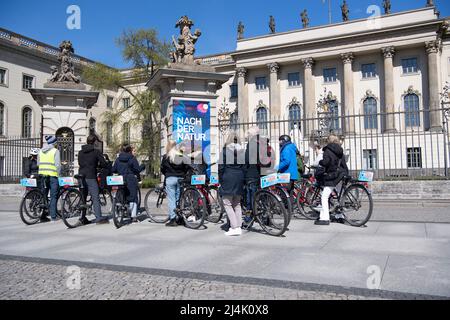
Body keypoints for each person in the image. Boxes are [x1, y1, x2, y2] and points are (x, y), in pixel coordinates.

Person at [315, 135, 349, 225]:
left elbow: (326, 162)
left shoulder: (328, 150)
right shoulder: (340, 150)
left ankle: (325, 218)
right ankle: (340, 216)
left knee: (324, 196)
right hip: (341, 174)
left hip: (333, 175)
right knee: (339, 196)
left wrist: (320, 162)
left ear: (328, 141)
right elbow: (343, 163)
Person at [219, 132, 246, 236]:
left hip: (228, 176)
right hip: (239, 177)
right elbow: (244, 167)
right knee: (237, 203)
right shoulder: (242, 151)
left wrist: (221, 179)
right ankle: (238, 226)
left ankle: (234, 227)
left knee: (227, 203)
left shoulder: (225, 151)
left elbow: (221, 167)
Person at [77, 135, 109, 225]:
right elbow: (103, 163)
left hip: (81, 176)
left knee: (83, 197)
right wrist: (102, 166)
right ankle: (99, 218)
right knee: (95, 197)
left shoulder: (80, 152)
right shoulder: (96, 152)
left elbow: (80, 163)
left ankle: (82, 218)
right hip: (90, 176)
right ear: (94, 142)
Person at [112, 144, 145, 223]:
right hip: (130, 179)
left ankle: (119, 212)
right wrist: (143, 166)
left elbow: (113, 170)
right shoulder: (132, 158)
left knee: (120, 195)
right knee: (133, 197)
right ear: (130, 150)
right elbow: (137, 170)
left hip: (120, 179)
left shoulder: (118, 159)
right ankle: (133, 217)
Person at [161, 140, 190, 227]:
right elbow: (186, 166)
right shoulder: (180, 155)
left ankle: (173, 219)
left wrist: (167, 173)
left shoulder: (166, 156)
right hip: (180, 179)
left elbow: (162, 168)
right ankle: (180, 217)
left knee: (171, 199)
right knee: (179, 198)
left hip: (170, 178)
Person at [37, 135, 61, 222]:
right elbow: (58, 165)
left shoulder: (40, 151)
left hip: (42, 176)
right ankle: (53, 216)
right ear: (54, 143)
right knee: (53, 196)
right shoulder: (55, 151)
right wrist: (59, 174)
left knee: (44, 195)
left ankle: (43, 215)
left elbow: (38, 164)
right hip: (53, 176)